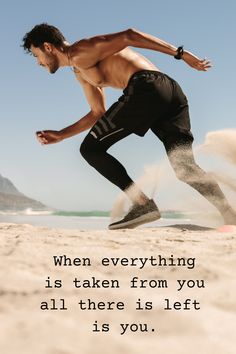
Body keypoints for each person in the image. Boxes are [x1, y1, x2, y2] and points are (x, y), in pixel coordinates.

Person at [22, 23, 236, 229]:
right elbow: (97, 113)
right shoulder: (81, 71)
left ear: (48, 47)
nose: (38, 62)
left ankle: (142, 204)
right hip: (171, 93)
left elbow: (129, 35)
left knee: (90, 150)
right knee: (185, 168)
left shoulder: (81, 51)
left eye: (36, 54)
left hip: (147, 87)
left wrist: (180, 54)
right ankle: (230, 215)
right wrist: (61, 135)